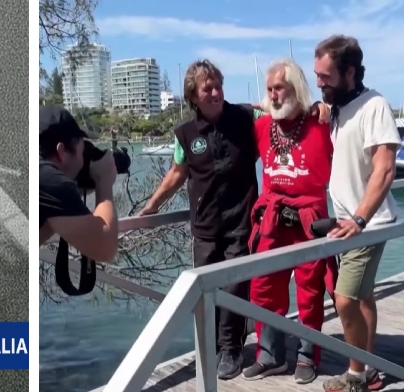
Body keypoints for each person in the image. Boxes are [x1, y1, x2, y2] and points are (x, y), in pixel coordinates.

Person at [138, 59, 259, 379]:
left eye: (219, 85)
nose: (217, 92)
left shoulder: (246, 118)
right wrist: (151, 206)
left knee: (234, 287)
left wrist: (314, 109)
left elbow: (281, 115)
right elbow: (177, 174)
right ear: (193, 95)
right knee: (206, 292)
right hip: (205, 227)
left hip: (241, 222)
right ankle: (214, 346)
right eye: (209, 88)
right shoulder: (186, 133)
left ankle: (232, 349)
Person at [240, 59, 335, 384]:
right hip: (272, 220)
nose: (274, 95)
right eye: (269, 90)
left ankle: (308, 355)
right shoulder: (262, 125)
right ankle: (270, 355)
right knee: (263, 288)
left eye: (279, 88)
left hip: (310, 223)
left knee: (310, 291)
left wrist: (322, 106)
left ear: (296, 89)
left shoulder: (321, 122)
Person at [314, 35, 400, 392]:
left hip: (366, 226)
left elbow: (384, 170)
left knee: (344, 298)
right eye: (316, 75)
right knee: (363, 297)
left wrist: (360, 219)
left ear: (349, 72)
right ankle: (371, 371)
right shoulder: (338, 106)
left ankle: (355, 376)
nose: (319, 82)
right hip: (350, 223)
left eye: (325, 76)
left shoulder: (374, 105)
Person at [39, 105, 119, 262]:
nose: (83, 159)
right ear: (61, 151)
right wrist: (104, 181)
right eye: (83, 150)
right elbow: (105, 249)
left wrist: (77, 187)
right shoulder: (49, 180)